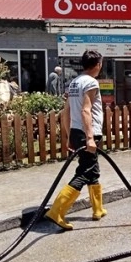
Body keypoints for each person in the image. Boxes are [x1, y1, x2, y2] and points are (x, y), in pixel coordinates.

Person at [44, 50, 107, 230]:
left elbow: (66, 112)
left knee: (92, 169)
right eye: (100, 63)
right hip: (89, 132)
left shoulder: (74, 83)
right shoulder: (91, 82)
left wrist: (68, 135)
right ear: (97, 65)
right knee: (85, 172)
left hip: (76, 131)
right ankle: (57, 211)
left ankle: (98, 209)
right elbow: (86, 110)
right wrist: (90, 138)